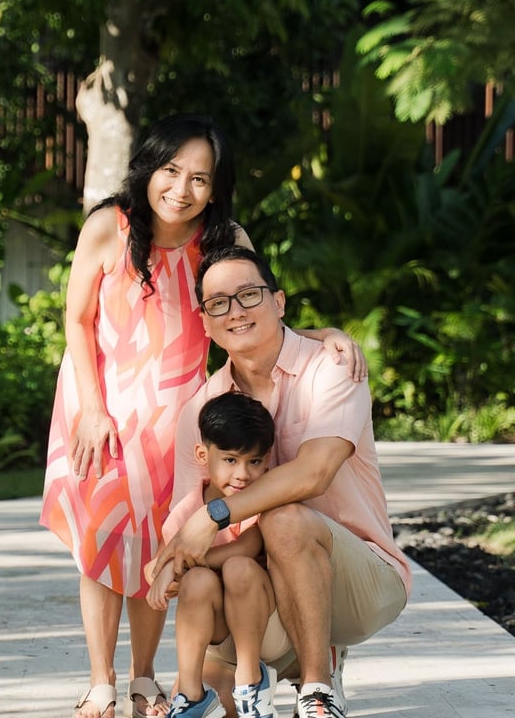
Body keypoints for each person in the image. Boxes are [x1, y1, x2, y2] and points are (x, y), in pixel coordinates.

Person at [39, 114, 366, 718]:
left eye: (199, 178)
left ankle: (143, 679)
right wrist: (90, 408)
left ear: (215, 188)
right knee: (103, 539)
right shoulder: (109, 227)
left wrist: (323, 333)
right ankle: (99, 682)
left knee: (154, 536)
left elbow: (256, 305)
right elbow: (76, 321)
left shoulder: (221, 236)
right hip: (102, 403)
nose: (181, 189)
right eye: (171, 171)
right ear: (149, 167)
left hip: (180, 408)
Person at [152, 246, 412, 718]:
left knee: (285, 518)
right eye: (218, 303)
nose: (235, 311)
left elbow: (314, 473)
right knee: (222, 706)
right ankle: (260, 670)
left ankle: (317, 689)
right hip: (255, 582)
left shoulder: (331, 368)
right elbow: (187, 525)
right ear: (205, 321)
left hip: (359, 579)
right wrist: (174, 564)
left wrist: (217, 515)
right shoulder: (203, 409)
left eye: (249, 294)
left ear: (280, 302)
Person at [145, 392, 289, 718]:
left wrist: (176, 565)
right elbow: (155, 567)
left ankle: (251, 683)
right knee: (196, 580)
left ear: (267, 459)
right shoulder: (189, 508)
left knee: (238, 566)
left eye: (254, 462)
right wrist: (168, 569)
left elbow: (248, 547)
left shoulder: (263, 498)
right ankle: (193, 696)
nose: (242, 474)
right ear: (202, 454)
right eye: (230, 460)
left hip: (269, 625)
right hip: (222, 634)